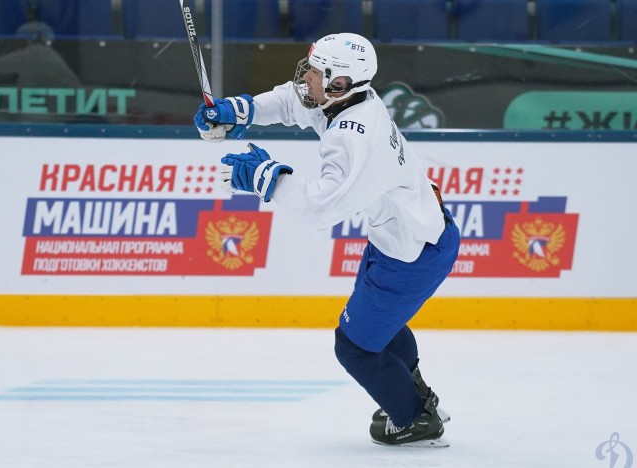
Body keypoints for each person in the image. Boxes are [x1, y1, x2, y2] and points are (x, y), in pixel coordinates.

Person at [193, 32, 460, 447]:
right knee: (380, 329)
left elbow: (320, 210)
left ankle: (415, 421)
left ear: (340, 83)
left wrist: (266, 176)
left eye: (317, 73)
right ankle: (415, 399)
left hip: (412, 256)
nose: (307, 79)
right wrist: (239, 111)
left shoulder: (354, 138)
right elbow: (289, 101)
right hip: (407, 240)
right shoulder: (346, 98)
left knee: (354, 348)